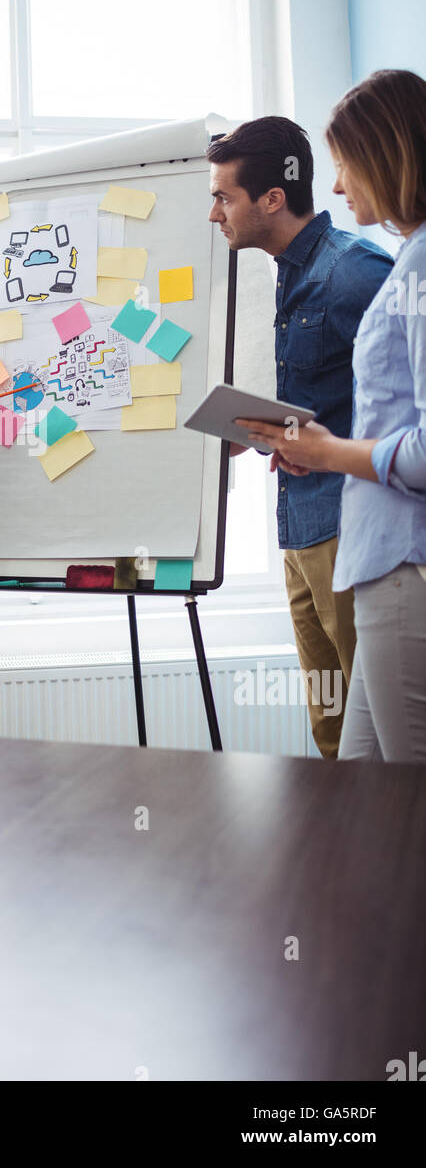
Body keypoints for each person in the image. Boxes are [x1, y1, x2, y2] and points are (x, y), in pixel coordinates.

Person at [240, 70, 426, 763]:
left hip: (399, 557)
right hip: (369, 554)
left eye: (346, 164)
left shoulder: (396, 267)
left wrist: (325, 451)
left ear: (388, 155)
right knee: (353, 785)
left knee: (400, 804)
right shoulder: (409, 258)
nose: (340, 186)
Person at [207, 117, 393, 757]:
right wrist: (266, 432)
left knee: (382, 742)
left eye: (223, 197)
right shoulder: (283, 271)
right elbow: (334, 400)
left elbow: (405, 404)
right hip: (300, 530)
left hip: (352, 533)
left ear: (273, 199)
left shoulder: (356, 273)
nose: (214, 214)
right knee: (331, 731)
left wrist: (317, 443)